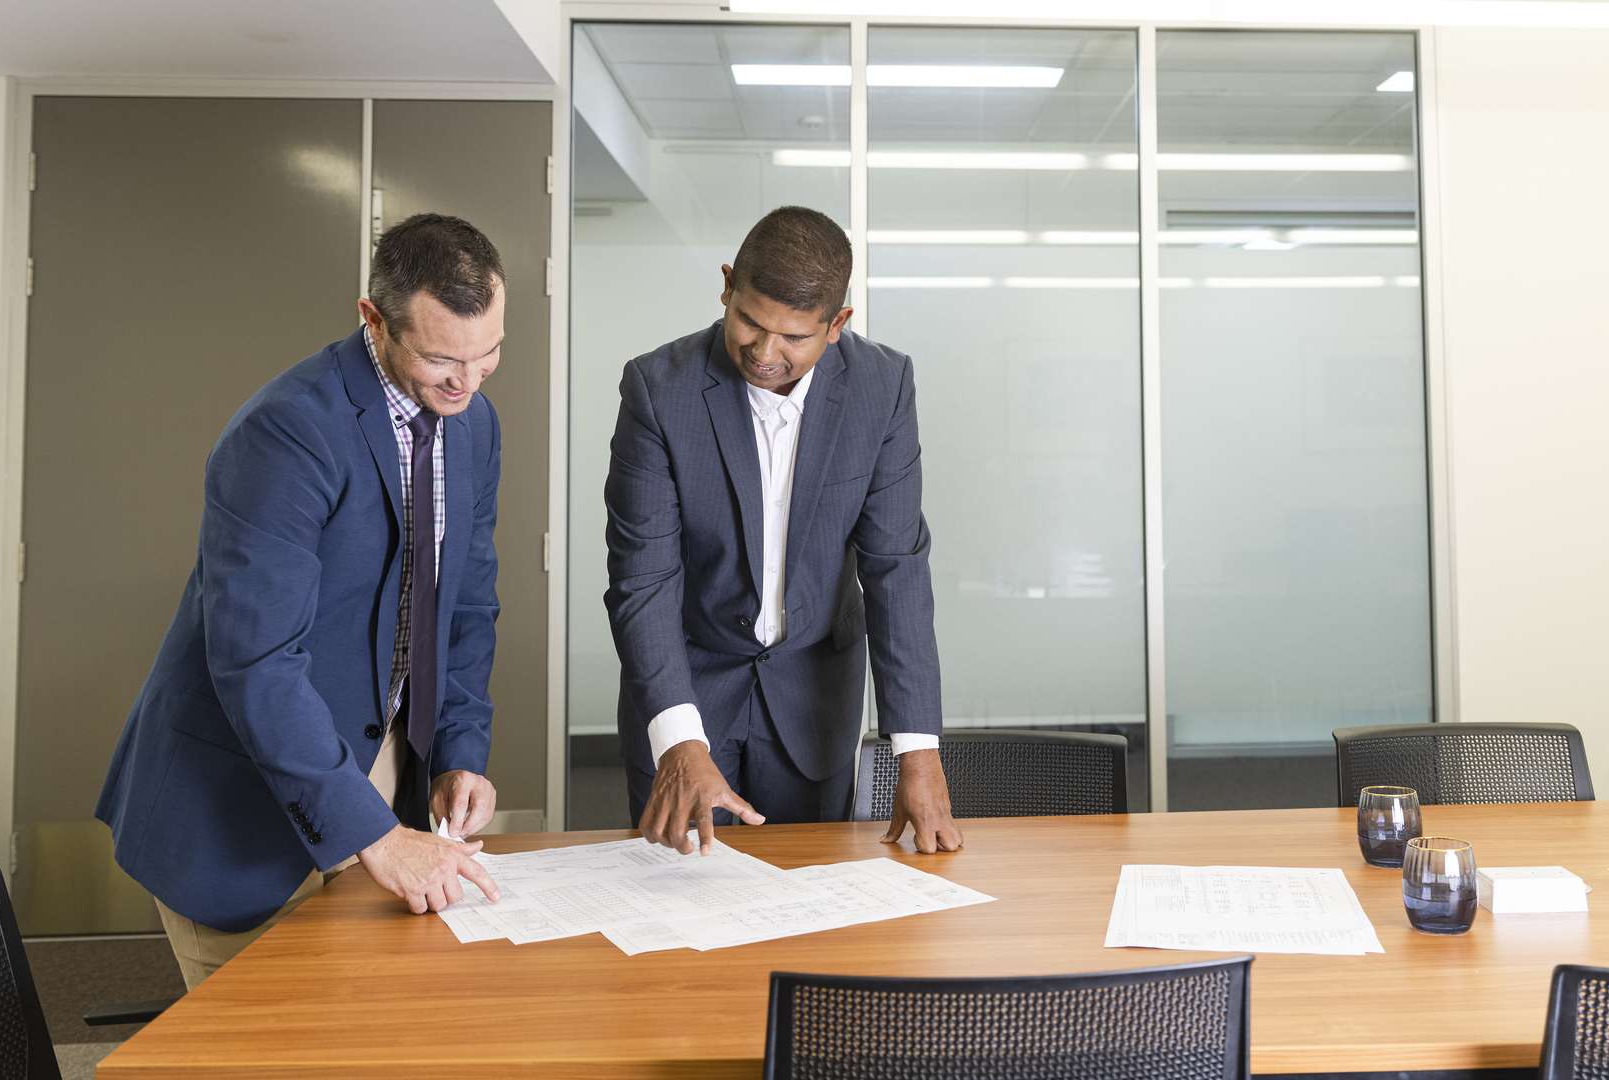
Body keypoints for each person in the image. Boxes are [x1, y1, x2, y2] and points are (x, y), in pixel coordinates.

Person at [96, 213, 507, 989]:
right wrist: (374, 837)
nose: (467, 382)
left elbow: (464, 605)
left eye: (489, 355)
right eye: (441, 359)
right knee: (257, 1050)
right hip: (237, 802)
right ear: (372, 320)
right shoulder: (287, 431)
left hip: (374, 765)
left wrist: (460, 751)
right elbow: (256, 662)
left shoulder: (474, 424)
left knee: (364, 1028)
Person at [604, 205, 962, 856]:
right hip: (683, 693)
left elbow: (896, 568)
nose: (764, 353)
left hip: (812, 705)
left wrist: (917, 750)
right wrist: (680, 738)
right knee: (677, 911)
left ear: (837, 326)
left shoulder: (881, 388)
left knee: (808, 902)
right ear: (727, 286)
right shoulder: (659, 389)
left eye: (793, 338)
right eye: (748, 321)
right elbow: (643, 579)